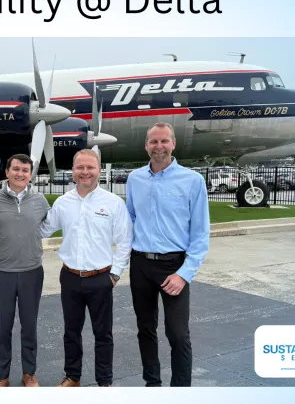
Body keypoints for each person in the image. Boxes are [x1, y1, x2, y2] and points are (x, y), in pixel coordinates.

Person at [125, 122, 210, 387]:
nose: (158, 146)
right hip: (140, 264)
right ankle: (152, 385)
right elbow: (129, 221)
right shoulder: (134, 179)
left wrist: (184, 274)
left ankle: (181, 390)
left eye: (164, 141)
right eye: (153, 142)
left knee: (178, 334)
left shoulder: (192, 181)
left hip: (175, 266)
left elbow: (200, 234)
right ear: (146, 146)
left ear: (173, 144)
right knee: (145, 330)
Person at [39, 149, 133, 387]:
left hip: (101, 278)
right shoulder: (62, 203)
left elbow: (124, 241)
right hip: (69, 277)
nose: (85, 172)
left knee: (103, 334)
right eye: (80, 167)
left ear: (99, 170)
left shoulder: (113, 203)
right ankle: (73, 377)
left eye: (90, 167)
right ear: (73, 171)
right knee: (71, 331)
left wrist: (115, 274)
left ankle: (104, 382)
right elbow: (43, 230)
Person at [0, 154, 50, 387]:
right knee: (2, 327)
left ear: (30, 174)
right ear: (7, 172)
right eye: (16, 169)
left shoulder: (40, 200)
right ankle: (1, 375)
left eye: (25, 170)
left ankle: (29, 373)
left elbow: (48, 226)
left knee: (29, 325)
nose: (20, 174)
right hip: (1, 273)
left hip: (32, 272)